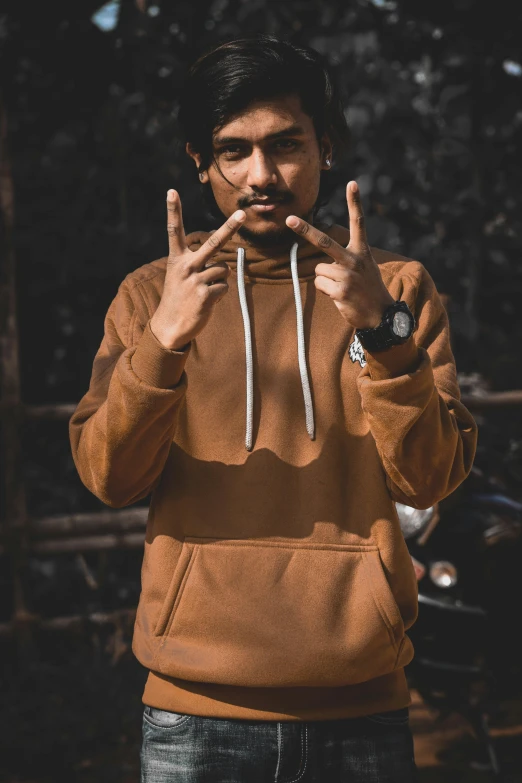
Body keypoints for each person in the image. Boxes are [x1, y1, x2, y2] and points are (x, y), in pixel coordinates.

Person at [70, 35, 478, 783]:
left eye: (287, 144)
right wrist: (163, 342)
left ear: (326, 146)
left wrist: (384, 336)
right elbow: (108, 475)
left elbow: (430, 479)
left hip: (362, 708)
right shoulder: (149, 295)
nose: (261, 174)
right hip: (194, 713)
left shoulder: (395, 290)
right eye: (234, 151)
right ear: (201, 161)